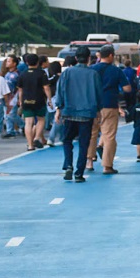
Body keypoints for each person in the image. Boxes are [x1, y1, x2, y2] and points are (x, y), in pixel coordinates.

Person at [54, 46, 100, 181]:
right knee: (84, 143)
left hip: (69, 111)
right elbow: (98, 94)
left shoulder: (67, 73)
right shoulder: (93, 74)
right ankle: (79, 173)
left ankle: (68, 165)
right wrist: (98, 112)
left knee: (67, 140)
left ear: (75, 58)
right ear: (88, 59)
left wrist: (58, 109)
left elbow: (60, 91)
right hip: (87, 114)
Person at [88, 45, 129, 175]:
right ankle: (107, 166)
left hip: (93, 105)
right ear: (111, 55)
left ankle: (89, 162)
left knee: (92, 133)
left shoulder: (92, 69)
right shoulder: (116, 70)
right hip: (109, 104)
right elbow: (127, 88)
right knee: (109, 135)